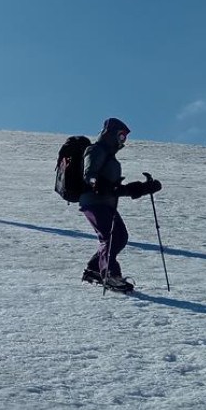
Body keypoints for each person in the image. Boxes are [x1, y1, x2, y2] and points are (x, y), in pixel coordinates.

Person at [79, 117, 161, 292]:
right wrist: (96, 183)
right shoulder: (96, 149)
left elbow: (115, 189)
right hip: (93, 202)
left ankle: (94, 269)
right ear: (110, 134)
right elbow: (89, 174)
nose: (123, 140)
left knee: (120, 237)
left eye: (124, 137)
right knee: (111, 237)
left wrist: (144, 188)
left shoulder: (111, 157)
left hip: (106, 203)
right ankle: (110, 274)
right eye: (121, 135)